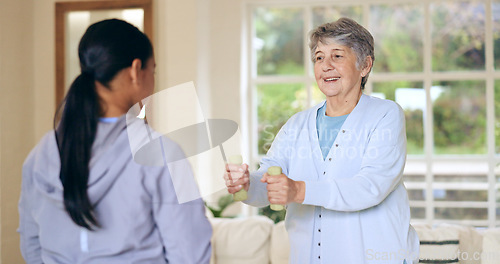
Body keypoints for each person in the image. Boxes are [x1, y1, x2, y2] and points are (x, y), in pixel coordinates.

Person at [225, 17, 419, 264]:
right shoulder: (297, 124)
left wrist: (298, 189)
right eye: (319, 57)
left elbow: (370, 187)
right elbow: (270, 182)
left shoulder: (385, 115)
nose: (325, 65)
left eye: (337, 56)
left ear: (365, 66)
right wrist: (246, 185)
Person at [18, 19, 212, 263]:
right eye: (153, 70)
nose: (154, 80)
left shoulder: (42, 153)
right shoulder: (161, 154)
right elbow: (189, 254)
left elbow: (31, 243)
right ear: (135, 70)